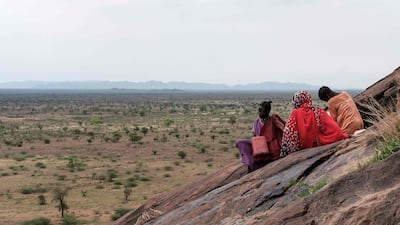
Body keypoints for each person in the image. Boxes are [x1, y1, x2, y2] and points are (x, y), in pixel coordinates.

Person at [280, 90, 348, 157]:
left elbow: (288, 135)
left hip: (302, 148)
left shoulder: (295, 113)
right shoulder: (318, 111)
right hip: (318, 144)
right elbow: (334, 128)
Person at [235, 101, 285, 173]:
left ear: (268, 111)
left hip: (270, 145)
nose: (260, 113)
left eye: (262, 111)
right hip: (259, 144)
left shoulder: (273, 120)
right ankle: (251, 161)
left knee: (273, 152)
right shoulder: (257, 122)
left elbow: (280, 132)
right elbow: (255, 136)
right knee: (240, 142)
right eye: (259, 110)